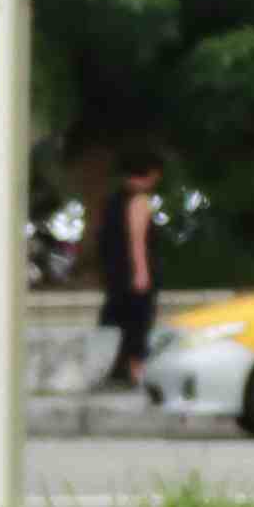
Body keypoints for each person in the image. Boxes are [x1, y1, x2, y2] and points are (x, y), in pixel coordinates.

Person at [96, 159, 165, 396]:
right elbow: (137, 239)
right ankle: (135, 373)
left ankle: (121, 370)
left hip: (116, 275)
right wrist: (142, 272)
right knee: (139, 322)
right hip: (134, 276)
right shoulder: (139, 201)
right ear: (151, 175)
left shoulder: (114, 201)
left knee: (122, 321)